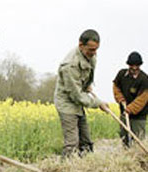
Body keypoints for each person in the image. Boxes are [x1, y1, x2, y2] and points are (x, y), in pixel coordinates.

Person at [54, 29, 109, 158]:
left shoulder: (90, 55)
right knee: (72, 143)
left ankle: (86, 170)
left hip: (79, 99)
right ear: (81, 45)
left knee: (86, 141)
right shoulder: (70, 65)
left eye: (96, 49)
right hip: (67, 102)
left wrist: (88, 84)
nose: (94, 53)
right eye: (91, 49)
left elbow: (87, 75)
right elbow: (76, 95)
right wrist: (98, 103)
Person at [113, 51, 148, 148]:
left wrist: (129, 109)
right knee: (125, 139)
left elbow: (142, 99)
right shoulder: (121, 74)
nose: (134, 68)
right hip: (124, 113)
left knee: (138, 140)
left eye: (137, 66)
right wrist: (120, 98)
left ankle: (139, 160)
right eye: (132, 65)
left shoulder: (144, 79)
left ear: (140, 66)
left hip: (138, 116)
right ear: (128, 65)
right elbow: (116, 87)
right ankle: (127, 158)